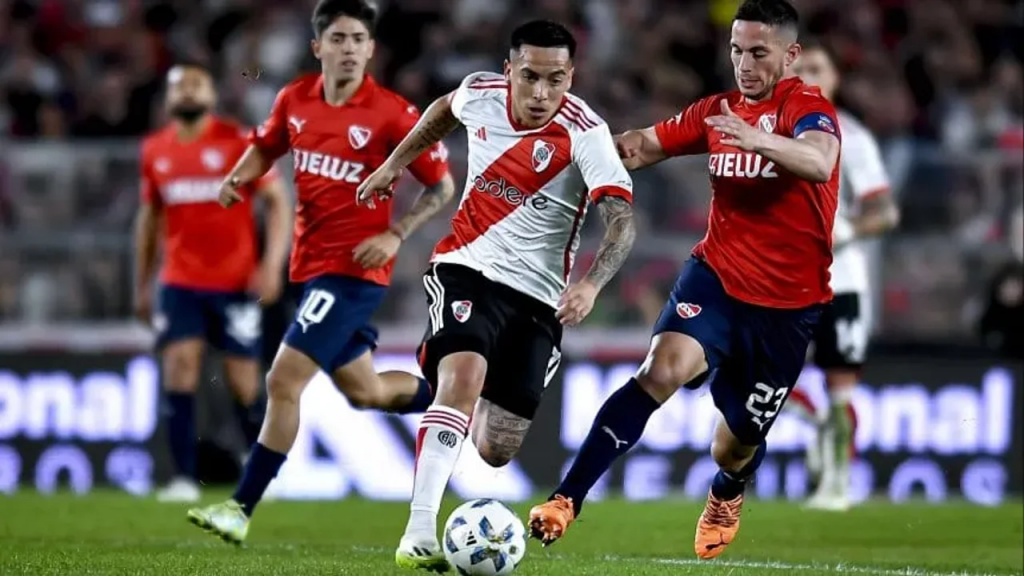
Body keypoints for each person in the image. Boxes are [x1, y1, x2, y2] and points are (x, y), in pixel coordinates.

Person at [528, 0, 842, 560]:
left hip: (787, 308)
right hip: (716, 280)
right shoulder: (717, 111)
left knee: (735, 445)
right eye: (737, 51)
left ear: (791, 55)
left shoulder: (807, 107)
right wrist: (583, 149)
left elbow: (819, 161)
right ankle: (565, 499)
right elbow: (642, 145)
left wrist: (759, 140)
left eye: (759, 53)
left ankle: (727, 489)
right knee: (660, 370)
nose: (744, 65)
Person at [356, 19, 637, 572]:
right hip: (467, 267)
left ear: (571, 77)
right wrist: (394, 164)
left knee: (496, 449)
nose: (541, 93)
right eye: (529, 76)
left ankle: (442, 396)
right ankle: (419, 531)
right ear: (508, 70)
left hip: (538, 299)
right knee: (463, 376)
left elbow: (622, 222)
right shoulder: (480, 94)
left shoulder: (587, 133)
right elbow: (442, 110)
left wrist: (590, 283)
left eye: (555, 80)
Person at [185, 0, 456, 544]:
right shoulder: (294, 99)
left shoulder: (394, 114)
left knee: (282, 380)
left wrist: (395, 234)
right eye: (338, 39)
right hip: (308, 269)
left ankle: (240, 508)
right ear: (318, 47)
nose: (349, 48)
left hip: (352, 274)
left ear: (371, 49)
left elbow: (442, 187)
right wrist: (237, 178)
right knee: (366, 391)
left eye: (358, 39)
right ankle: (457, 401)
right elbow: (265, 147)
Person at [133, 61, 290, 503]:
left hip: (236, 282)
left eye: (196, 84)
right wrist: (142, 283)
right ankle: (183, 478)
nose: (187, 91)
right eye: (179, 85)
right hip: (179, 281)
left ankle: (260, 475)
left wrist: (272, 264)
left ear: (211, 94)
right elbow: (150, 220)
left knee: (243, 378)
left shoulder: (238, 141)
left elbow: (278, 201)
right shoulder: (155, 150)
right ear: (168, 98)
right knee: (180, 366)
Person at [786, 41, 900, 512]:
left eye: (817, 68)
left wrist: (845, 230)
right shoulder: (771, 131)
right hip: (779, 278)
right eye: (799, 68)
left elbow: (885, 211)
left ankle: (836, 484)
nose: (808, 76)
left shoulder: (850, 136)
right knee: (742, 370)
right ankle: (812, 420)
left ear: (835, 78)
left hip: (841, 281)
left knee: (840, 388)